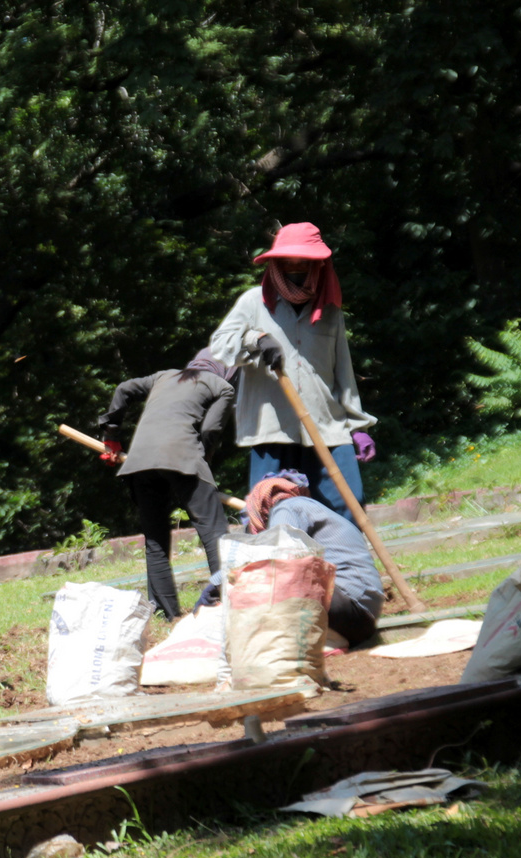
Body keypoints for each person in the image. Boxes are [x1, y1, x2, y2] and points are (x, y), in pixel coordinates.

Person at [209, 222, 378, 517]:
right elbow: (221, 347)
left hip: (327, 426)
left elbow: (344, 374)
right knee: (273, 511)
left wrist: (359, 427)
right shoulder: (253, 302)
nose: (296, 267)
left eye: (305, 262)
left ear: (318, 265)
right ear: (277, 262)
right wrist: (256, 340)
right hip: (273, 429)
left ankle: (346, 563)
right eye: (289, 261)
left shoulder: (329, 311)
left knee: (349, 506)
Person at [94, 349, 236, 620]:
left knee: (155, 540)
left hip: (140, 462)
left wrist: (111, 432)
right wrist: (203, 457)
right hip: (182, 455)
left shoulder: (164, 376)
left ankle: (165, 613)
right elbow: (209, 430)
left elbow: (124, 388)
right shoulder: (223, 386)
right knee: (215, 532)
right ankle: (227, 600)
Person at [244, 473, 385, 646]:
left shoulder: (287, 508)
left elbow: (279, 556)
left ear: (260, 506)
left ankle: (324, 639)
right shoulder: (312, 509)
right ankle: (328, 638)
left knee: (271, 576)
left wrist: (221, 584)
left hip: (349, 609)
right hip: (363, 618)